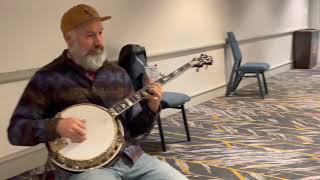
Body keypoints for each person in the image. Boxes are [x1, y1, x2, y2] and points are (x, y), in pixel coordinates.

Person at [7, 4, 188, 180]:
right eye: (90, 35)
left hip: (131, 157)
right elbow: (16, 131)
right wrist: (56, 127)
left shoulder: (117, 74)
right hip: (84, 169)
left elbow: (136, 130)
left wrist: (151, 107)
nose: (99, 42)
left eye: (100, 32)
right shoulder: (47, 78)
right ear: (69, 39)